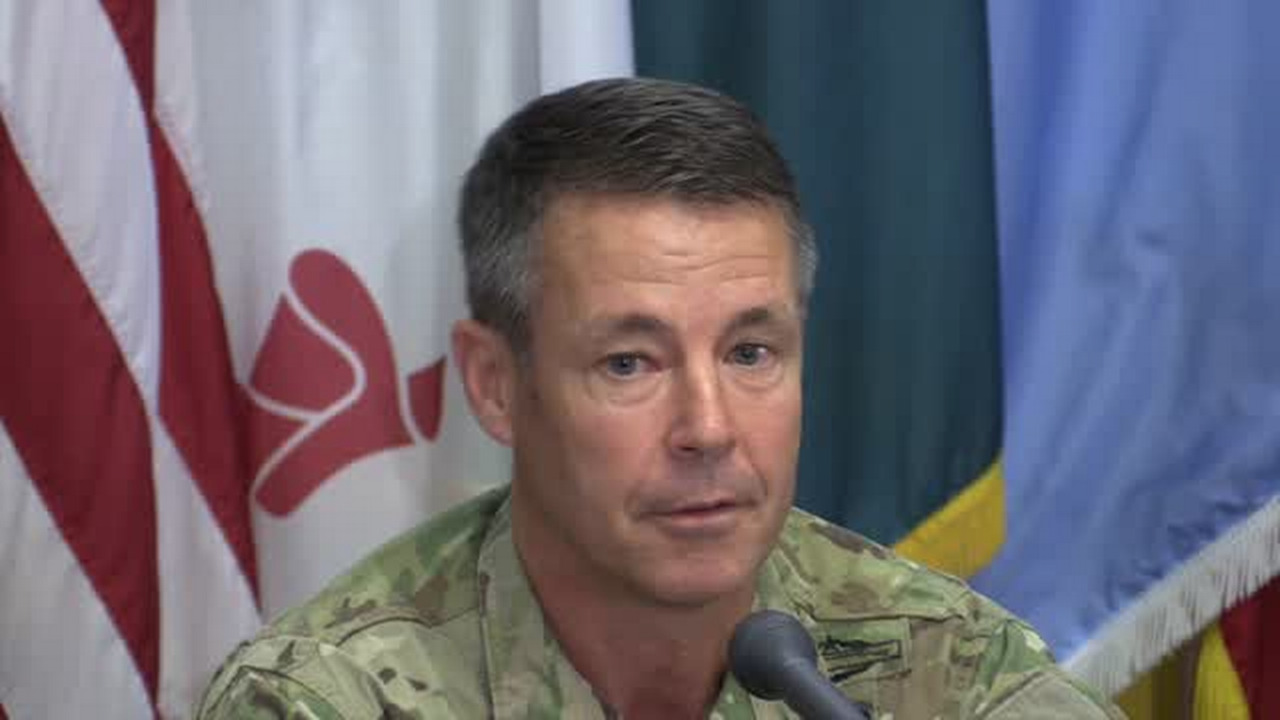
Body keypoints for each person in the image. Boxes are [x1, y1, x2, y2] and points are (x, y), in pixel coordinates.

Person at [196, 77, 1124, 719]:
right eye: (629, 364)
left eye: (751, 353)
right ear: (495, 385)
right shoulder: (324, 699)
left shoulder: (944, 665)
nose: (709, 429)